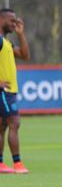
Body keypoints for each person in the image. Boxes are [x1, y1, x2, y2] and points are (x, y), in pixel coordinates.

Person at [0, 9, 30, 174]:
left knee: (2, 126)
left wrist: (20, 34)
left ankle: (0, 163)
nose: (14, 24)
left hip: (8, 91)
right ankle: (17, 164)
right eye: (11, 21)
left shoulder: (6, 43)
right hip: (4, 91)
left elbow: (25, 55)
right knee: (14, 122)